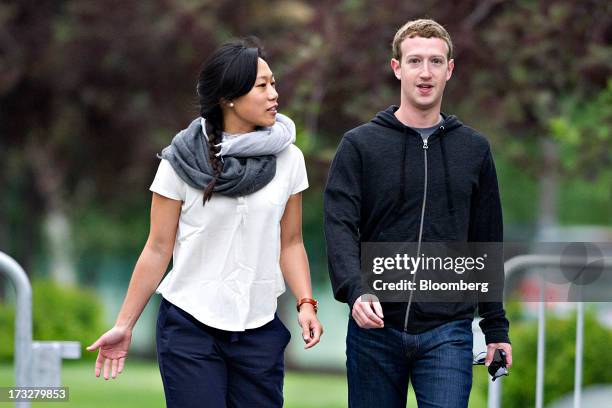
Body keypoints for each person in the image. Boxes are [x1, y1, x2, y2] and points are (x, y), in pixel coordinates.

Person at [87, 37, 323, 408]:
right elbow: (157, 247)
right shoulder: (180, 161)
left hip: (260, 327)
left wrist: (306, 303)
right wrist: (125, 324)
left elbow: (290, 242)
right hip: (190, 327)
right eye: (261, 86)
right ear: (229, 98)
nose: (274, 93)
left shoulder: (289, 159)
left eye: (273, 83)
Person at [324, 19, 512, 407]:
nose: (425, 73)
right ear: (397, 68)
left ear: (450, 69)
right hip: (374, 328)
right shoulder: (360, 145)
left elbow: (486, 240)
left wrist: (496, 326)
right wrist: (355, 291)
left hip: (448, 330)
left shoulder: (474, 150)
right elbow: (340, 225)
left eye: (435, 61)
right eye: (414, 61)